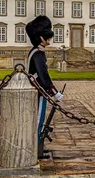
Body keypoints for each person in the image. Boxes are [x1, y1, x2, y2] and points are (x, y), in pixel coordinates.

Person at [25, 16, 64, 157]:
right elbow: (43, 76)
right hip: (39, 91)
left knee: (39, 120)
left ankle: (38, 146)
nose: (49, 38)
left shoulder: (36, 51)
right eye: (47, 35)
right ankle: (35, 148)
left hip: (38, 90)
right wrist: (55, 92)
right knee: (38, 120)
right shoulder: (38, 53)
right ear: (41, 36)